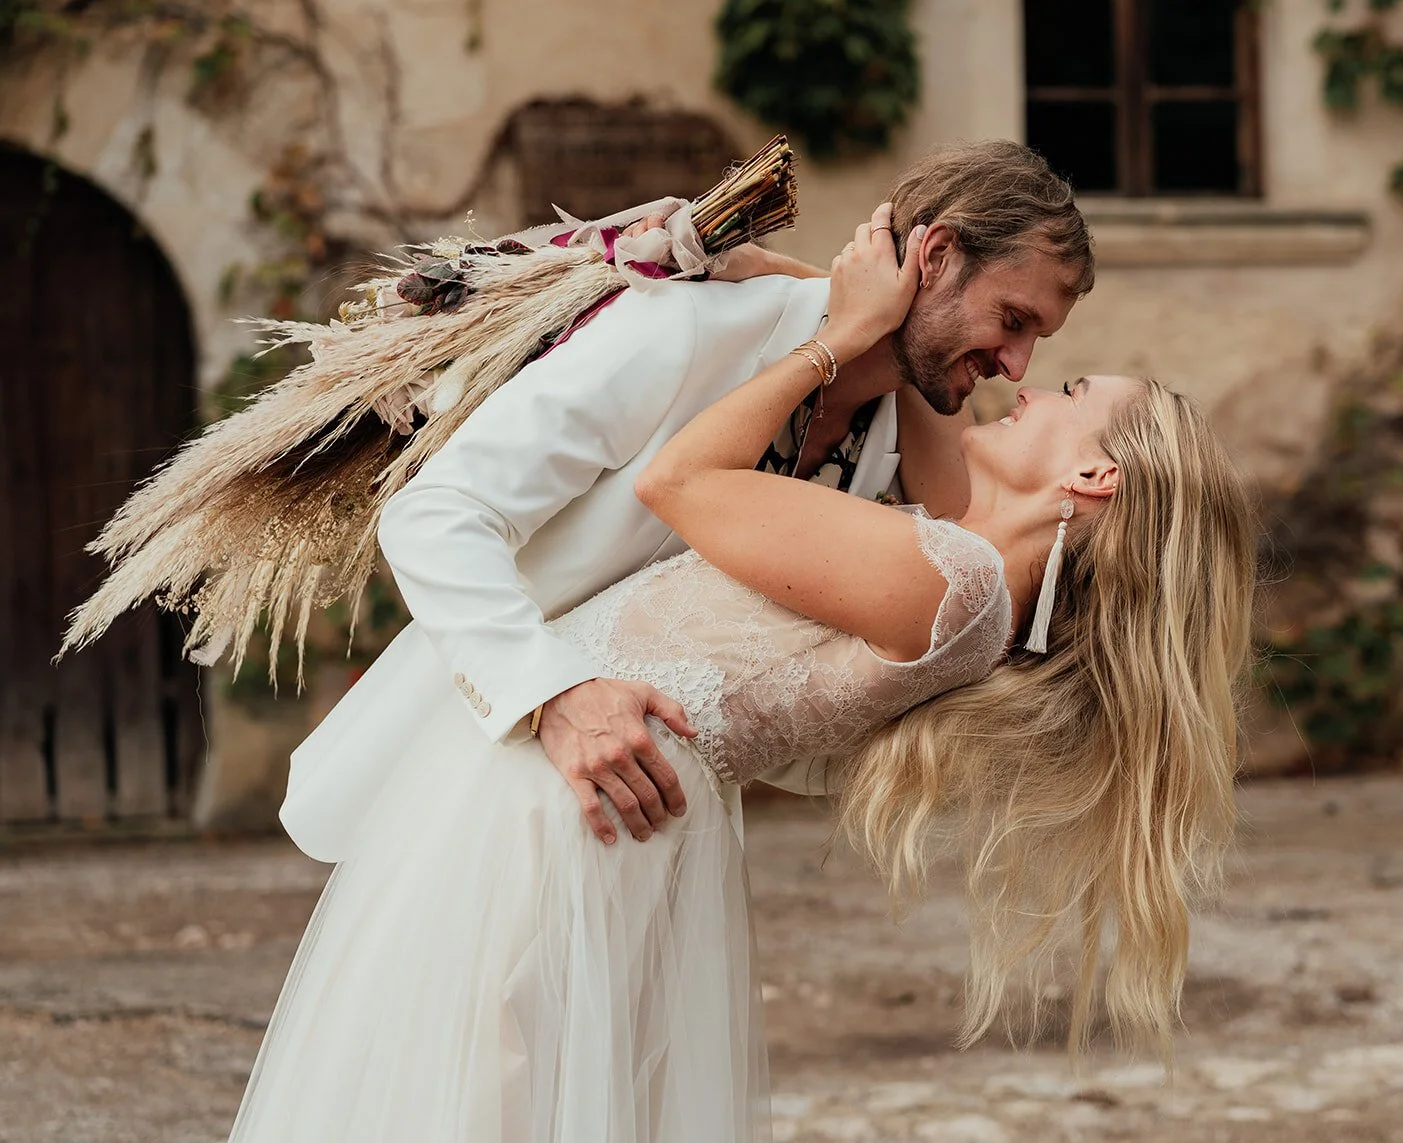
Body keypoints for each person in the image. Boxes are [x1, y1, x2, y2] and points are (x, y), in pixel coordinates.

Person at [228, 213, 1258, 1142]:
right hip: (599, 796)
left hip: (587, 804)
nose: (1026, 379)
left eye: (1069, 393)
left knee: (484, 1092)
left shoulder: (954, 580)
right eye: (1019, 326)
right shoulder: (965, 568)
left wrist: (831, 340)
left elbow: (680, 480)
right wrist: (828, 292)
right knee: (499, 1086)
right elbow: (929, 385)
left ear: (1094, 475)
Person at [278, 140, 1096, 860]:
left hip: (649, 830)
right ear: (936, 254)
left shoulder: (891, 440)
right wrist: (551, 694)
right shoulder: (687, 327)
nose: (1019, 366)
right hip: (480, 772)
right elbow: (437, 513)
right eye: (1013, 319)